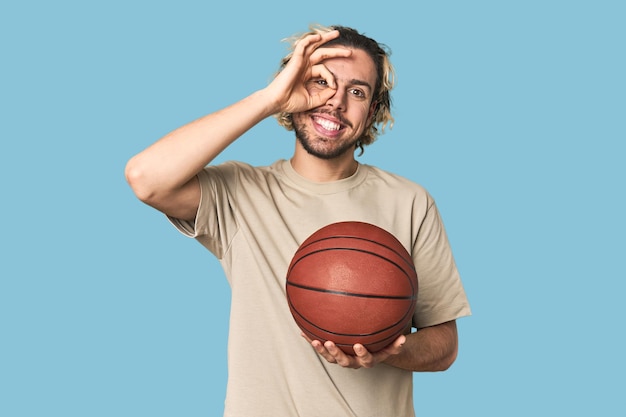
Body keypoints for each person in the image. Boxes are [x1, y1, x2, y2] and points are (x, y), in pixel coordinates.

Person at [126, 24, 471, 417]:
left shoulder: (410, 202)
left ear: (372, 110)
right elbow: (145, 178)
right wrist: (269, 99)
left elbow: (445, 346)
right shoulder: (242, 192)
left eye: (356, 92)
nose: (335, 102)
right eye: (320, 82)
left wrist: (389, 348)